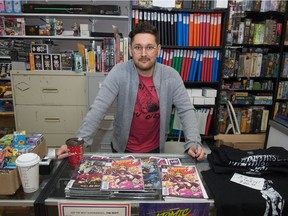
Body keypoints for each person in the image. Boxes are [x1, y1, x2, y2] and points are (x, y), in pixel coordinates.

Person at [57, 21, 205, 161]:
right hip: (122, 150)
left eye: (149, 47)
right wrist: (78, 142)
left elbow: (186, 110)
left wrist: (193, 142)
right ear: (130, 49)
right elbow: (98, 108)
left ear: (158, 50)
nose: (144, 54)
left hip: (155, 149)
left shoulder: (171, 75)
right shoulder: (119, 72)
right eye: (138, 47)